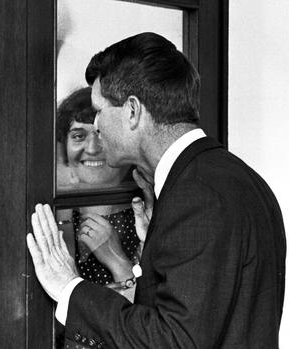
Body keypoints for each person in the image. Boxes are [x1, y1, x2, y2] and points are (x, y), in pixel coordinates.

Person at [27, 32, 285, 348]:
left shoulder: (199, 196)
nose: (95, 125)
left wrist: (70, 289)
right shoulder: (233, 176)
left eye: (99, 110)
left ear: (133, 111)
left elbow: (175, 341)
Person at [55, 87, 141, 299]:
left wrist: (116, 260)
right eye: (78, 136)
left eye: (101, 134)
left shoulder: (146, 213)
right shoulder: (54, 212)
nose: (92, 148)